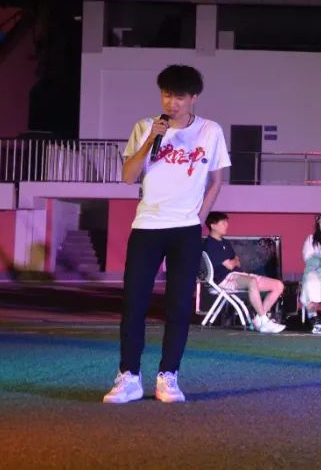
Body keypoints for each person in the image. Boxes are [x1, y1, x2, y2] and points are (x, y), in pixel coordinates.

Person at [103, 65, 230, 405]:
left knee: (179, 305)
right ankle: (129, 377)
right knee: (134, 302)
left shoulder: (210, 131)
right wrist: (150, 140)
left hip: (185, 229)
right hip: (147, 226)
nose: (171, 103)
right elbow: (128, 177)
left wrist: (198, 219)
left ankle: (168, 376)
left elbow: (217, 180)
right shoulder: (145, 126)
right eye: (166, 95)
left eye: (179, 97)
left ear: (193, 98)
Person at [202, 212, 286, 333]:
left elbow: (237, 262)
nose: (227, 225)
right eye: (223, 222)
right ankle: (264, 320)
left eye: (227, 222)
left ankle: (259, 319)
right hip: (224, 279)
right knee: (252, 282)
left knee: (278, 285)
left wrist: (234, 262)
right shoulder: (210, 244)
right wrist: (234, 262)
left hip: (239, 275)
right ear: (213, 225)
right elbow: (230, 265)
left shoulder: (225, 242)